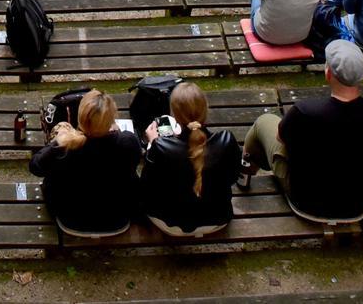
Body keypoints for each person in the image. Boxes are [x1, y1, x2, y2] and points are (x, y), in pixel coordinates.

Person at [243, 41, 363, 220]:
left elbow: (281, 138)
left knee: (264, 122)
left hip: (307, 198)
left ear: (328, 73)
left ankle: (245, 169)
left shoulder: (305, 111)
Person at [29, 89, 143, 237]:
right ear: (112, 120)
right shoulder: (128, 141)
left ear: (80, 118)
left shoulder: (65, 146)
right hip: (117, 218)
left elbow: (35, 167)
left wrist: (58, 141)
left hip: (69, 217)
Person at [139, 81, 240, 237]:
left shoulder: (161, 147)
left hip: (170, 223)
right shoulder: (227, 140)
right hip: (218, 218)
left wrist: (153, 145)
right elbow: (233, 177)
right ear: (206, 108)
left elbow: (147, 187)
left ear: (175, 116)